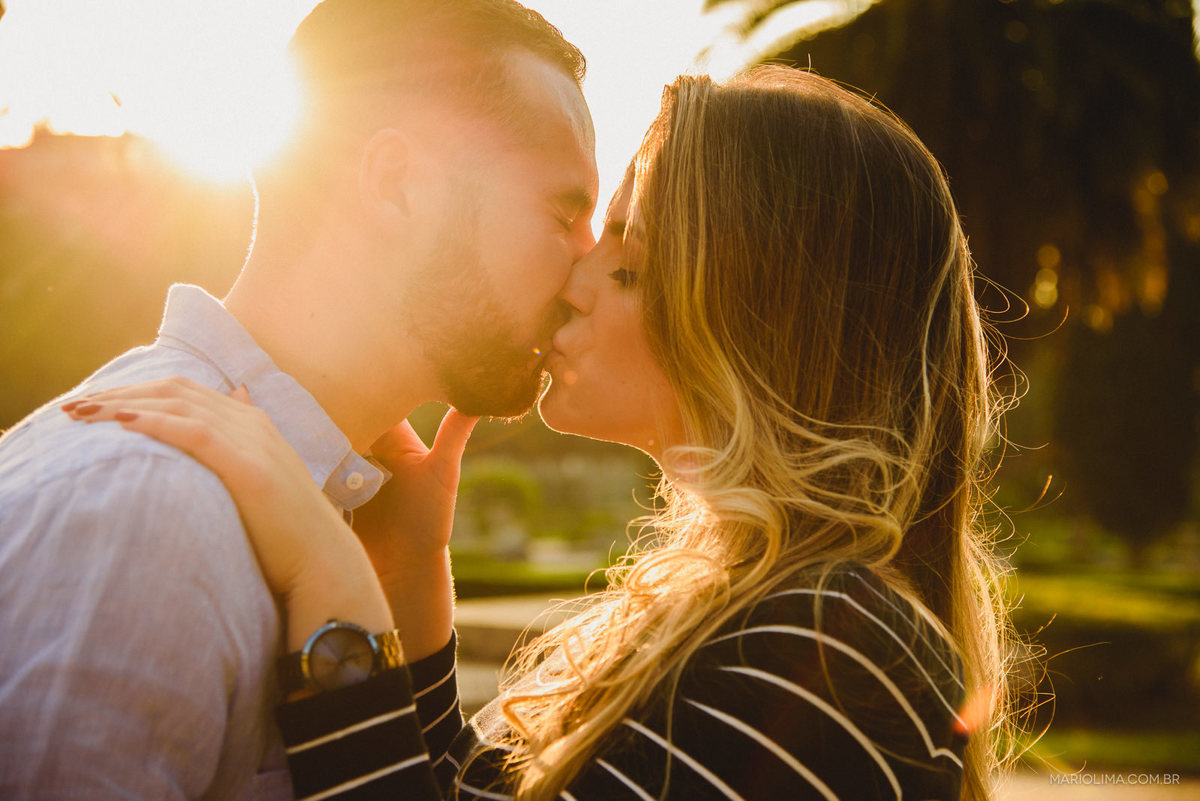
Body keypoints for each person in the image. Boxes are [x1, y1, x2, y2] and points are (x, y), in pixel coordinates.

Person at [64, 68, 1018, 800]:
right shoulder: (788, 614)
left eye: (633, 267)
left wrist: (335, 598)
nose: (575, 279)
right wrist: (411, 584)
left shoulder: (827, 657)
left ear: (764, 328)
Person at [0, 1, 596, 797]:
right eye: (566, 213)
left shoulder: (304, 511)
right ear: (398, 186)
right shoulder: (147, 511)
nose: (587, 277)